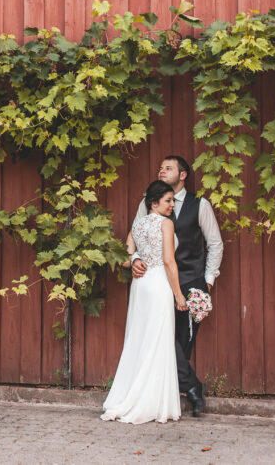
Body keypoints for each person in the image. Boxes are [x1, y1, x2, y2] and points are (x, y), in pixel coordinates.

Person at [130, 155, 223, 417]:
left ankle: (171, 392)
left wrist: (208, 280)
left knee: (182, 342)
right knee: (160, 338)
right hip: (157, 281)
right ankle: (193, 389)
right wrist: (134, 258)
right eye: (160, 167)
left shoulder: (199, 205)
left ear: (183, 175)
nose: (162, 169)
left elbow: (215, 244)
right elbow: (136, 235)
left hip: (191, 282)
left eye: (168, 167)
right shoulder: (147, 203)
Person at [101, 180, 185, 424]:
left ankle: (131, 396)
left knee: (139, 339)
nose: (172, 205)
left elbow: (125, 257)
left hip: (141, 285)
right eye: (168, 201)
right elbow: (169, 261)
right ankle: (152, 403)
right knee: (157, 340)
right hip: (159, 283)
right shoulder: (166, 224)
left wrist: (136, 258)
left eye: (172, 201)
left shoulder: (138, 224)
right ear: (154, 202)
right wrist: (179, 294)